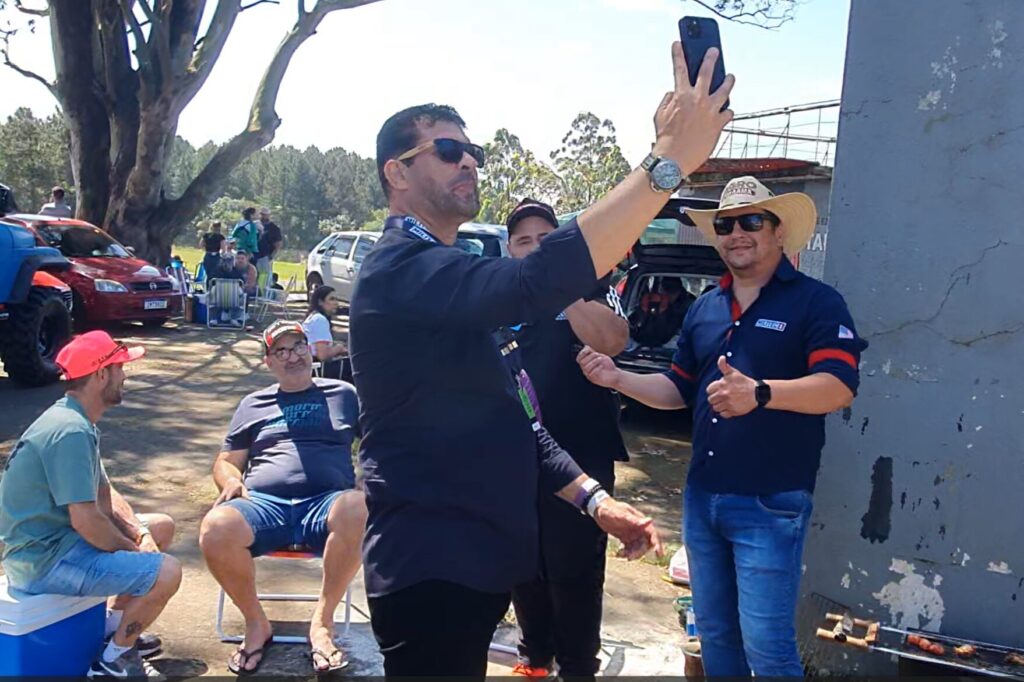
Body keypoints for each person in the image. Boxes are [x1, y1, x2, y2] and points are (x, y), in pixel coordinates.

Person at [349, 41, 733, 679]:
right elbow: (534, 279)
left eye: (475, 152)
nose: (469, 161)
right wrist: (668, 163)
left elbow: (522, 427)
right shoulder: (399, 269)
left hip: (476, 566)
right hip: (430, 567)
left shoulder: (449, 284)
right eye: (449, 150)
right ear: (397, 172)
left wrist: (596, 501)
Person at [577, 176, 868, 677]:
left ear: (779, 232)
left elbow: (839, 386)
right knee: (714, 639)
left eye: (752, 221)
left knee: (767, 646)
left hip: (770, 502)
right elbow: (678, 390)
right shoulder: (707, 307)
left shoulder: (816, 303)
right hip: (702, 499)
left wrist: (761, 393)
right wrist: (617, 376)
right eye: (727, 224)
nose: (737, 232)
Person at [0, 331, 182, 679]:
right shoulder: (70, 431)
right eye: (120, 368)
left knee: (161, 527)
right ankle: (113, 659)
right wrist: (132, 551)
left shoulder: (74, 419)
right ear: (101, 375)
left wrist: (141, 536)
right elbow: (86, 521)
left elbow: (104, 494)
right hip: (44, 562)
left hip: (54, 545)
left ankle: (112, 630)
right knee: (167, 571)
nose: (125, 375)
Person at [501, 198, 629, 679]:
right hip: (514, 457)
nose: (534, 248)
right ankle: (534, 656)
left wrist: (564, 289)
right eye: (523, 240)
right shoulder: (501, 297)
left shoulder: (592, 287)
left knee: (573, 570)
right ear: (510, 249)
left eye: (545, 239)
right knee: (524, 560)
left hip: (582, 454)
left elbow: (613, 340)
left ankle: (578, 667)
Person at [198, 321, 366, 675]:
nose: (294, 356)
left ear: (311, 350)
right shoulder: (252, 404)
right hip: (264, 506)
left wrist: (367, 479)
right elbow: (227, 461)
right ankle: (256, 623)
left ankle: (322, 623)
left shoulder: (344, 394)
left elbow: (378, 443)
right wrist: (230, 482)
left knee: (358, 506)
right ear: (268, 362)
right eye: (282, 351)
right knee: (215, 527)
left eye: (299, 346)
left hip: (327, 503)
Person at [302, 285, 348, 380]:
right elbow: (322, 355)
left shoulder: (314, 317)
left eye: (336, 299)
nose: (336, 303)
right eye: (332, 299)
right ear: (320, 302)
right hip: (316, 370)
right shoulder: (319, 320)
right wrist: (339, 348)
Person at [256, 208, 283, 281]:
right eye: (262, 214)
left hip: (265, 255)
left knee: (264, 277)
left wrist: (271, 256)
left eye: (265, 215)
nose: (263, 217)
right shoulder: (255, 225)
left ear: (268, 215)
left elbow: (278, 244)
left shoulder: (274, 228)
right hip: (254, 255)